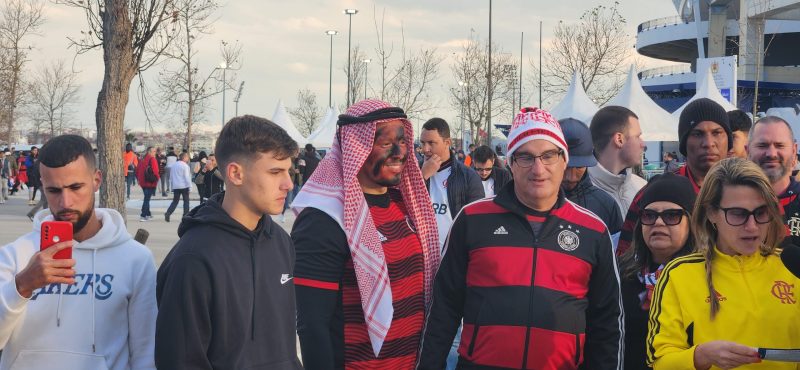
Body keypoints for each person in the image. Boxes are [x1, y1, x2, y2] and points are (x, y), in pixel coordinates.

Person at [418, 107, 623, 369]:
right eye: (525, 157)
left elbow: (607, 326)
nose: (538, 169)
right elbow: (443, 310)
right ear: (511, 163)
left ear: (564, 160)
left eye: (549, 155)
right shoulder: (473, 219)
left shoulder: (593, 230)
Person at [292, 100, 440, 369]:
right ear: (355, 149)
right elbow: (312, 326)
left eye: (404, 142)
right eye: (386, 144)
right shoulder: (324, 219)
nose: (399, 153)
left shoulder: (406, 206)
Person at [156, 115, 301, 369]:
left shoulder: (281, 243)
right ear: (235, 173)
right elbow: (180, 361)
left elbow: (284, 343)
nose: (288, 183)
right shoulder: (193, 258)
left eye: (288, 171)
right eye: (275, 171)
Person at [0, 134, 156, 370]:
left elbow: (146, 352)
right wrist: (21, 287)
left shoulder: (135, 259)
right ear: (42, 186)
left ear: (96, 180)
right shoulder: (16, 255)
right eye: (53, 191)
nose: (66, 202)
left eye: (75, 187)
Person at [646, 158, 800, 369]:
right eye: (738, 214)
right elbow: (659, 361)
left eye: (761, 213)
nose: (752, 226)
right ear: (711, 213)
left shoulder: (791, 267)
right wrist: (700, 356)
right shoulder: (678, 274)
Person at [617, 98, 732, 256]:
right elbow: (625, 258)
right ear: (684, 142)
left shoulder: (745, 192)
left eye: (717, 133)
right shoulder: (657, 193)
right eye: (698, 134)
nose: (708, 143)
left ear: (729, 140)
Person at [617, 174, 696, 370]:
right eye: (649, 215)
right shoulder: (621, 273)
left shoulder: (705, 276)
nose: (658, 223)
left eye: (671, 215)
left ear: (691, 222)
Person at [420, 117, 484, 252]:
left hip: (452, 258)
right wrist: (422, 176)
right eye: (423, 143)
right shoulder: (415, 172)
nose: (425, 149)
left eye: (431, 143)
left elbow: (477, 223)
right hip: (419, 258)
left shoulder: (468, 176)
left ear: (447, 142)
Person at [560, 117, 624, 241]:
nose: (571, 177)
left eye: (579, 166)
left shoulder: (607, 205)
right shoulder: (534, 202)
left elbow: (618, 254)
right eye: (566, 166)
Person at [746, 116, 800, 246]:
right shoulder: (731, 203)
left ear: (794, 150)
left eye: (779, 145)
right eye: (762, 145)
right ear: (747, 151)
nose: (771, 153)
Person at [587, 106, 647, 216]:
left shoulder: (642, 188)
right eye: (637, 136)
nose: (643, 144)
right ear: (619, 139)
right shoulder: (579, 196)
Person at [164, 152, 192, 222]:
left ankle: (168, 213)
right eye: (187, 157)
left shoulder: (174, 165)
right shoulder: (185, 166)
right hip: (184, 186)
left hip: (176, 186)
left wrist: (172, 186)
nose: (188, 159)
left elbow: (171, 177)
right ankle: (185, 216)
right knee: (186, 201)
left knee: (175, 201)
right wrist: (190, 187)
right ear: (184, 158)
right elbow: (187, 177)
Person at [136, 147, 160, 222]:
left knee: (147, 198)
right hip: (150, 182)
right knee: (147, 199)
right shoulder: (152, 159)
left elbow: (137, 169)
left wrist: (139, 179)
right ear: (149, 152)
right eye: (153, 151)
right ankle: (143, 215)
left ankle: (148, 213)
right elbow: (155, 171)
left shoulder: (142, 159)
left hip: (143, 182)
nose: (155, 153)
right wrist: (157, 178)